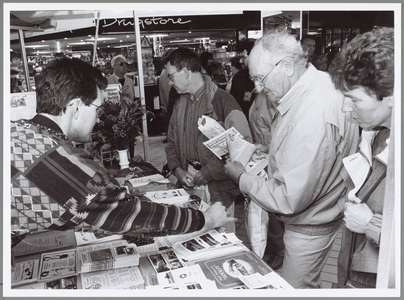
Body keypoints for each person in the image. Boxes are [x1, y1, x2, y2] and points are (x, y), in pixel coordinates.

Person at [10, 57, 236, 246]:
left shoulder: (18, 131)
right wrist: (204, 219)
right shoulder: (56, 160)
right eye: (97, 109)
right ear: (76, 106)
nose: (98, 118)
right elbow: (130, 214)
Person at [224, 29, 360, 288]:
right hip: (322, 211)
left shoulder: (312, 114)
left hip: (309, 224)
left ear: (287, 66)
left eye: (261, 79)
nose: (258, 88)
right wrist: (274, 150)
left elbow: (289, 198)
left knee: (297, 288)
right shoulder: (319, 85)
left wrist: (242, 178)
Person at [328, 27, 394, 288]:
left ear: (390, 97)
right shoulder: (375, 135)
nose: (345, 108)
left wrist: (371, 226)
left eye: (353, 99)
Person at [164, 48, 252, 233]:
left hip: (218, 190)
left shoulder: (223, 102)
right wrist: (177, 169)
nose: (170, 82)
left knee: (221, 242)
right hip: (187, 182)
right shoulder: (180, 103)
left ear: (187, 71)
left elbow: (241, 148)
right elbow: (171, 142)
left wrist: (208, 172)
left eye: (171, 76)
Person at [247, 91, 285, 269]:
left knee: (272, 209)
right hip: (263, 158)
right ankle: (268, 249)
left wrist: (268, 148)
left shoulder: (273, 96)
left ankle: (278, 251)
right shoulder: (260, 95)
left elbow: (281, 133)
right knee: (264, 210)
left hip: (275, 162)